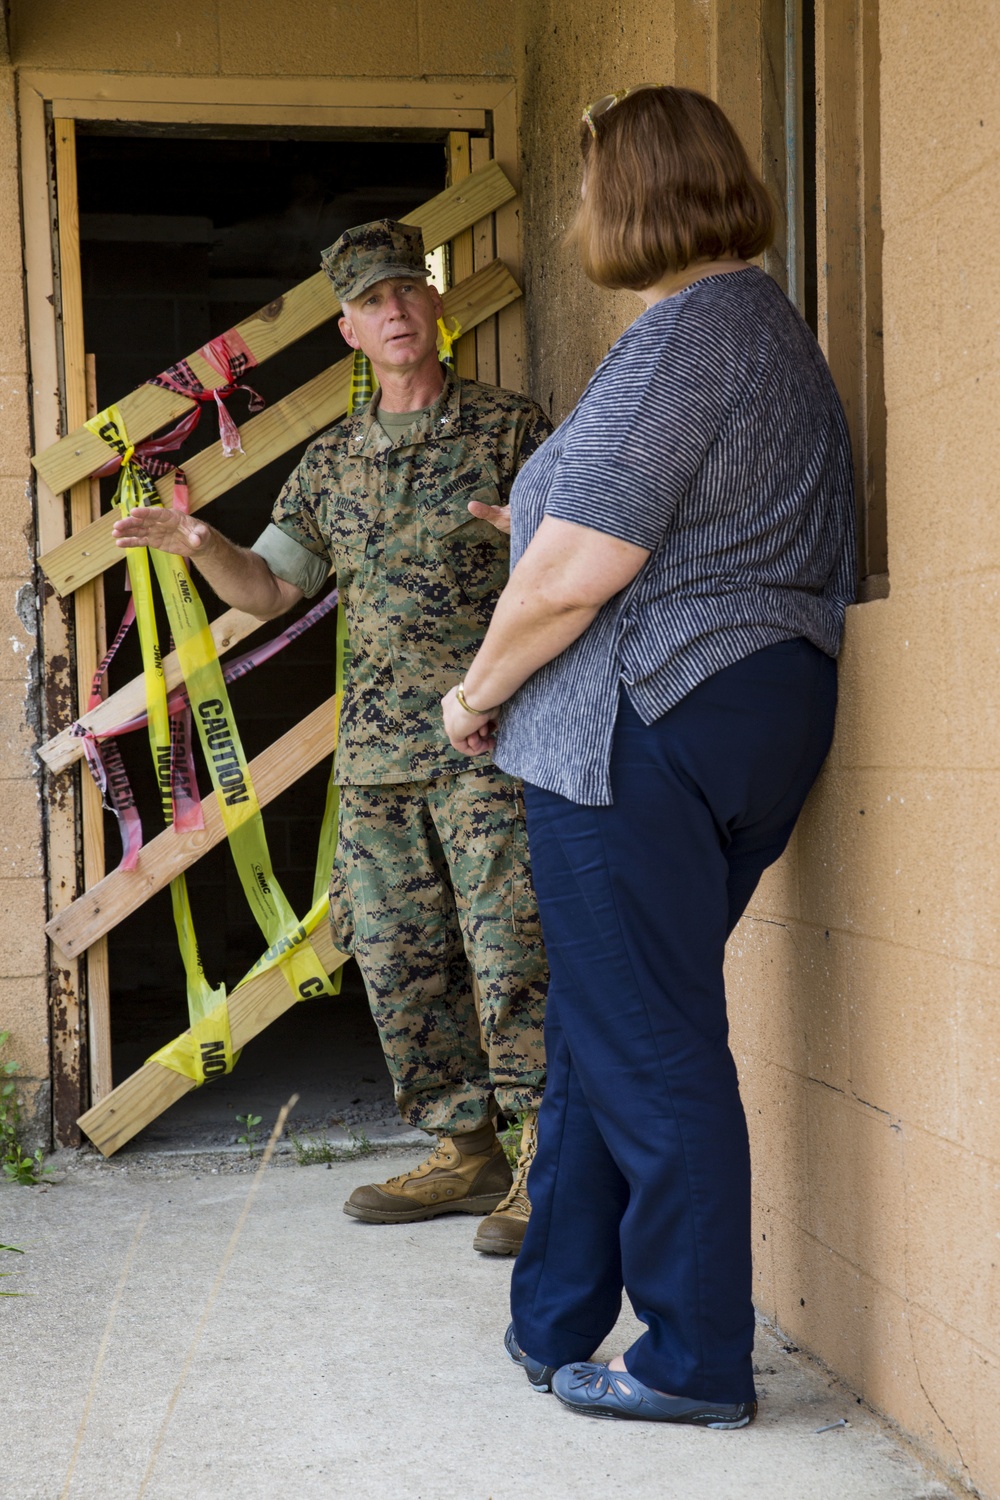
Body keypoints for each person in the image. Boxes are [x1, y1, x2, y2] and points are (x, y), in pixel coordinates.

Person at [441, 86, 856, 1421]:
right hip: (743, 714)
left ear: (629, 194)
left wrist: (477, 687)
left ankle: (692, 1362)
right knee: (603, 1034)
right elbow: (645, 518)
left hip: (648, 723)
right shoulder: (756, 332)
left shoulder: (692, 336)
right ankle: (553, 1317)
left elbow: (584, 571)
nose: (573, 216)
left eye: (583, 190)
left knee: (650, 1042)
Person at [113, 218, 551, 1257]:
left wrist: (530, 532)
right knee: (400, 964)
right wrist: (201, 543)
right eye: (371, 302)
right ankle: (462, 1151)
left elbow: (580, 557)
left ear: (435, 310)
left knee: (513, 957)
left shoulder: (510, 428)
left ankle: (548, 1159)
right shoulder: (330, 464)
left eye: (408, 290)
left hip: (495, 747)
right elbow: (270, 589)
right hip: (379, 764)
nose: (394, 310)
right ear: (349, 331)